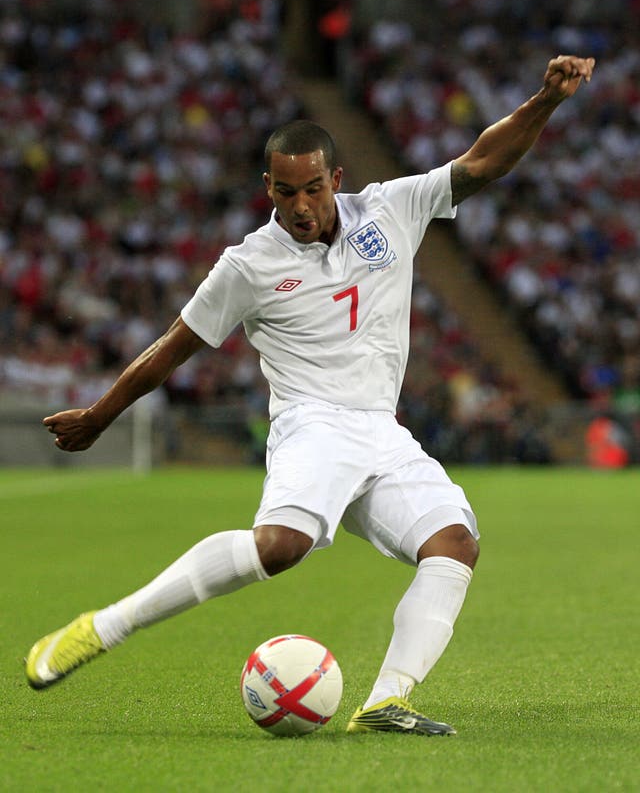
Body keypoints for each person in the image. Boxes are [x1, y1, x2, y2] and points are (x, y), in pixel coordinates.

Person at [25, 55, 595, 735]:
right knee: (281, 546)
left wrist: (546, 100)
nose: (300, 205)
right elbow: (172, 347)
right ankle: (105, 627)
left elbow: (482, 162)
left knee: (455, 543)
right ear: (267, 187)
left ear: (336, 179)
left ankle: (386, 700)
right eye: (285, 192)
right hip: (312, 423)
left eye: (313, 189)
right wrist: (100, 414)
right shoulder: (247, 264)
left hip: (381, 431)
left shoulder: (391, 209)